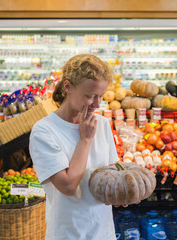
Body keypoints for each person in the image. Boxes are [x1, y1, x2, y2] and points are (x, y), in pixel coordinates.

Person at [29, 54, 119, 240]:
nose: (97, 104)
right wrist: (85, 140)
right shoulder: (44, 131)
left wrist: (122, 192)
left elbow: (112, 173)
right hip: (68, 234)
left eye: (100, 96)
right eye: (89, 96)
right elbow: (68, 186)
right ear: (67, 87)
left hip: (103, 232)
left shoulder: (101, 124)